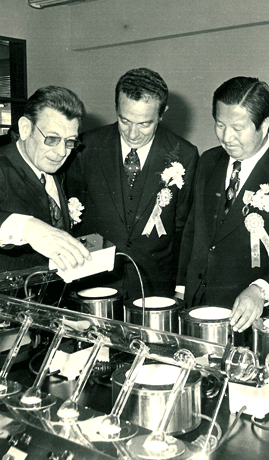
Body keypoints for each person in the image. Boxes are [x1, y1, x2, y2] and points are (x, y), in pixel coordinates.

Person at [178, 76, 269, 333]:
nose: (226, 137)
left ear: (264, 125)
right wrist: (180, 289)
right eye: (220, 125)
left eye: (238, 128)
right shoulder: (208, 161)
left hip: (252, 316)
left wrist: (260, 290)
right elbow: (193, 230)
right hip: (198, 306)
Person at [66, 68, 198, 299]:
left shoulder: (185, 154)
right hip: (94, 281)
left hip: (155, 284)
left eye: (144, 124)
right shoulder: (85, 148)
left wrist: (180, 288)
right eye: (124, 120)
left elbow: (183, 230)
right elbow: (72, 217)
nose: (133, 133)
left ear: (162, 114)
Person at [0, 86, 91, 278]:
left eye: (69, 142)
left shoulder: (54, 167)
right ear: (25, 129)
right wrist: (28, 228)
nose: (61, 152)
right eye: (51, 139)